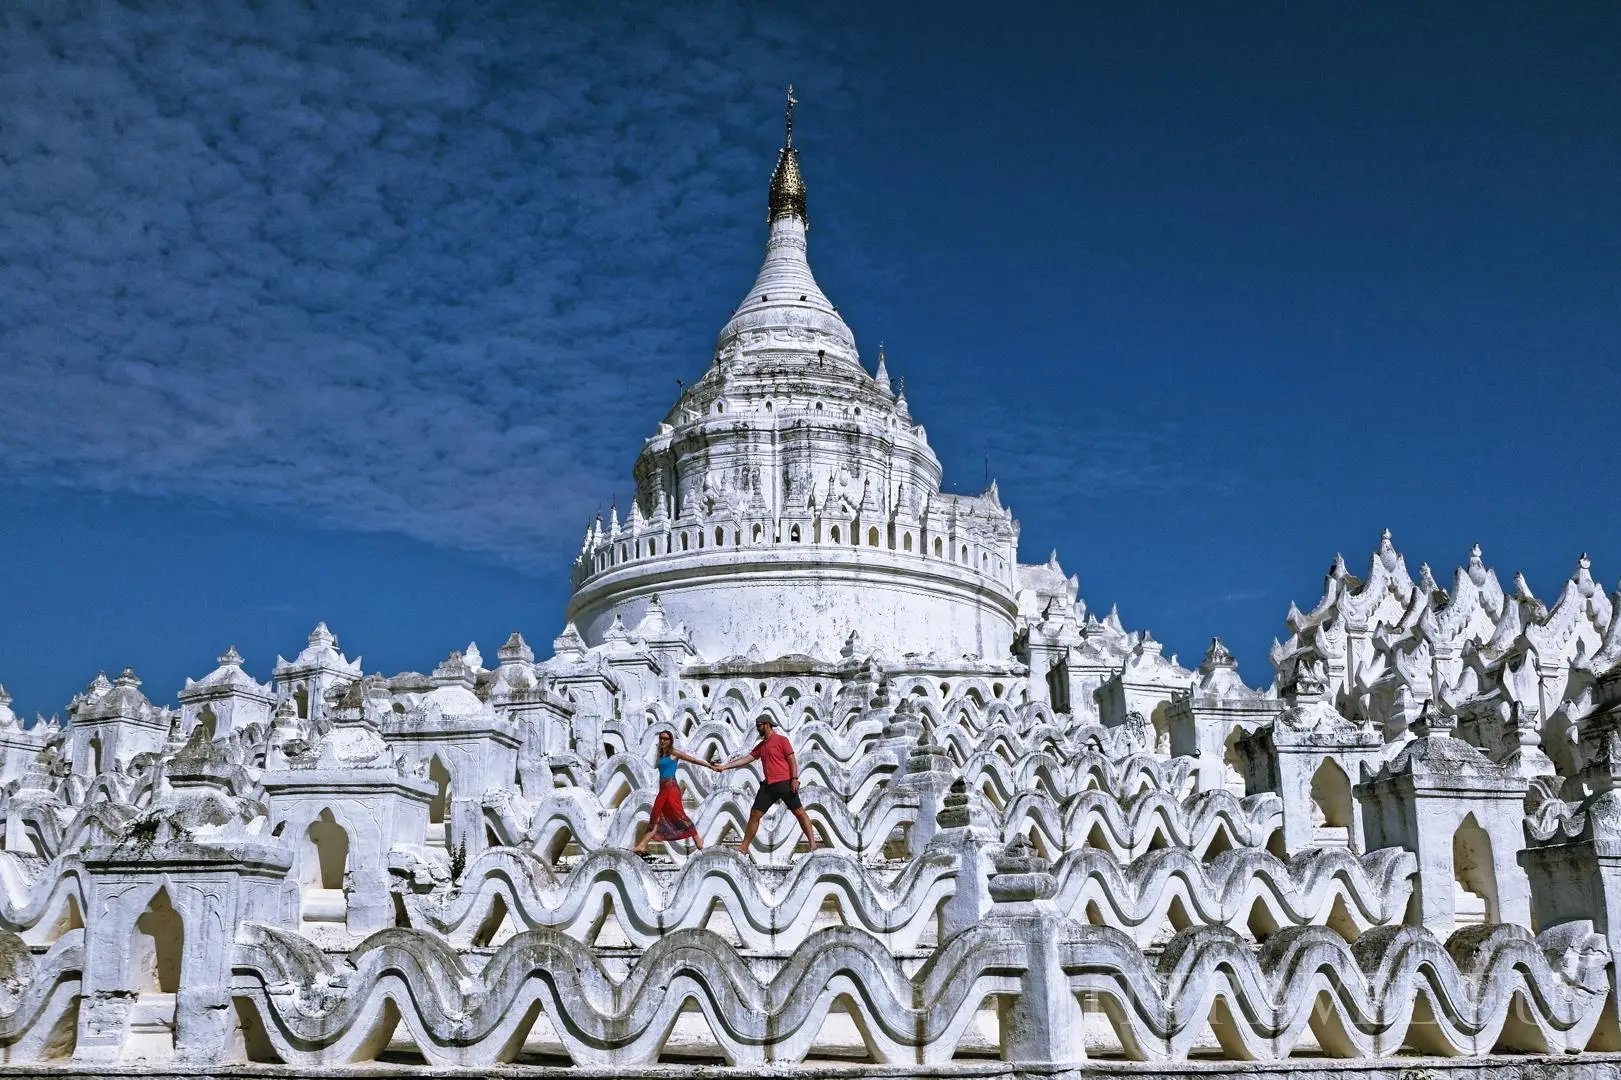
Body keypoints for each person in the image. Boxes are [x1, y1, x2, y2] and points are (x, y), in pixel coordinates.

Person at [715, 717, 818, 856]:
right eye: (757, 726)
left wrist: (794, 778)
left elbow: (792, 760)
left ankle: (812, 844)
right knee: (755, 813)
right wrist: (724, 767)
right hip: (768, 785)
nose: (757, 728)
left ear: (767, 725)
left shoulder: (782, 740)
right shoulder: (761, 746)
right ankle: (744, 848)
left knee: (799, 811)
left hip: (785, 782)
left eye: (759, 725)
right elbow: (746, 759)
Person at [632, 730, 713, 859]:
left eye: (666, 739)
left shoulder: (674, 753)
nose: (663, 741)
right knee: (655, 817)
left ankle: (697, 838)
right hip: (662, 790)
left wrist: (709, 765)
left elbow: (692, 760)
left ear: (671, 741)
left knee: (679, 815)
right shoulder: (660, 754)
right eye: (661, 738)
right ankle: (642, 845)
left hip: (671, 789)